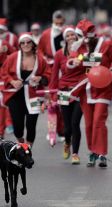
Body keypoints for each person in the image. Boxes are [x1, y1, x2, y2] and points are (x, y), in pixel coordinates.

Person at [67, 19, 112, 168]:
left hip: (103, 87)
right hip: (85, 89)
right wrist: (75, 62)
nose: (78, 40)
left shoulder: (106, 44)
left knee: (99, 121)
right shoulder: (79, 47)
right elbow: (73, 59)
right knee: (89, 123)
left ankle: (102, 153)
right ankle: (92, 151)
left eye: (80, 36)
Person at [1, 33, 50, 146]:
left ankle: (28, 149)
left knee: (31, 124)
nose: (25, 44)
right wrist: (12, 81)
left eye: (28, 42)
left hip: (34, 95)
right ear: (19, 45)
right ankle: (21, 143)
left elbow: (48, 74)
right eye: (22, 43)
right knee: (18, 126)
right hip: (15, 95)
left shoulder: (40, 59)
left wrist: (41, 78)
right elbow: (4, 72)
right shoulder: (13, 57)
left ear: (33, 44)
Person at [49, 26, 84, 164]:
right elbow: (54, 76)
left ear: (77, 37)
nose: (70, 37)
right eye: (68, 35)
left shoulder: (82, 52)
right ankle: (67, 143)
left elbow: (88, 68)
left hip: (79, 91)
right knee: (67, 126)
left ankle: (75, 153)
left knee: (75, 123)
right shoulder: (59, 54)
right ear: (64, 38)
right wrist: (53, 96)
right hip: (64, 91)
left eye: (73, 35)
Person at [38, 10, 66, 140]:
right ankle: (51, 131)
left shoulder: (67, 34)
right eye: (57, 22)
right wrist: (46, 61)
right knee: (51, 102)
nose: (59, 24)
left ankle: (62, 130)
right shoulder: (45, 34)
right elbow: (39, 52)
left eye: (61, 22)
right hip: (50, 72)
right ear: (53, 21)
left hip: (64, 73)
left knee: (62, 103)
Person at [0, 35, 16, 139]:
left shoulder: (4, 43)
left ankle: (7, 125)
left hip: (4, 76)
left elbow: (15, 54)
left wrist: (7, 54)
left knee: (4, 101)